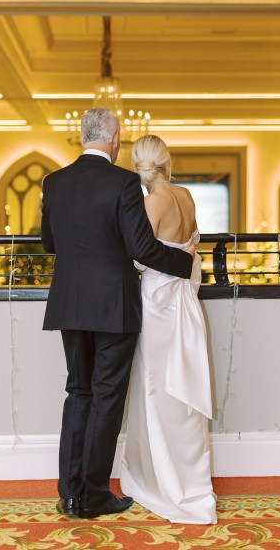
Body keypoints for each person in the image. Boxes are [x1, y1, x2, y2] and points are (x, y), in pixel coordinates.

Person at [41, 108, 194, 519]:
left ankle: (70, 494)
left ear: (82, 138)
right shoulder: (124, 182)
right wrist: (186, 264)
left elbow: (48, 244)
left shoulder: (53, 182)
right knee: (106, 397)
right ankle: (92, 496)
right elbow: (142, 248)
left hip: (69, 304)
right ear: (115, 140)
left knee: (78, 392)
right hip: (114, 305)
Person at [120, 135, 217, 525]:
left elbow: (138, 256)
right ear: (165, 162)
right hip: (185, 302)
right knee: (183, 390)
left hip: (157, 303)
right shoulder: (187, 196)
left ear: (138, 166)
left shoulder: (150, 202)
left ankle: (159, 481)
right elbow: (189, 249)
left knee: (155, 389)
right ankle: (192, 480)